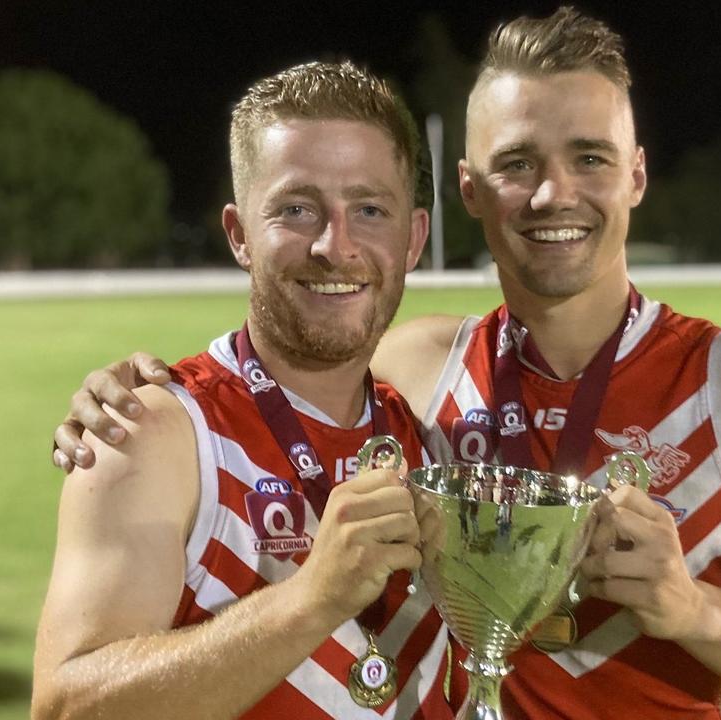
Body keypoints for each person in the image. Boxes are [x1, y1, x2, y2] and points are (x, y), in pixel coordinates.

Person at [51, 8, 721, 719]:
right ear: (470, 190)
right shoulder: (419, 373)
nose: (553, 193)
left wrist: (700, 614)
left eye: (588, 157)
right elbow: (286, 354)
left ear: (635, 176)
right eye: (517, 163)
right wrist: (124, 398)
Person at [31, 61, 462, 720]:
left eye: (369, 209)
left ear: (414, 239)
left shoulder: (427, 432)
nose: (333, 245)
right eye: (295, 208)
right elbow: (67, 707)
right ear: (239, 235)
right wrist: (311, 596)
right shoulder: (152, 433)